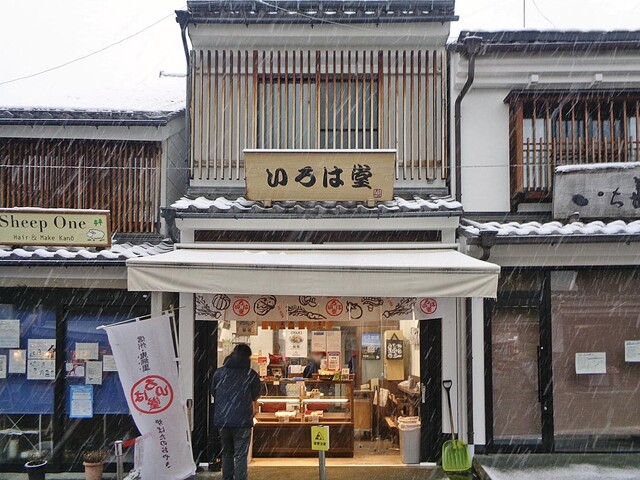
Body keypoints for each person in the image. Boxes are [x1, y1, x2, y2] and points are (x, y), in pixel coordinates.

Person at [212, 343, 261, 480]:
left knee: (227, 453)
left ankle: (227, 478)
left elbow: (214, 393)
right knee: (240, 455)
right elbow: (256, 395)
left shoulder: (219, 373)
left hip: (223, 419)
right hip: (242, 420)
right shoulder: (250, 374)